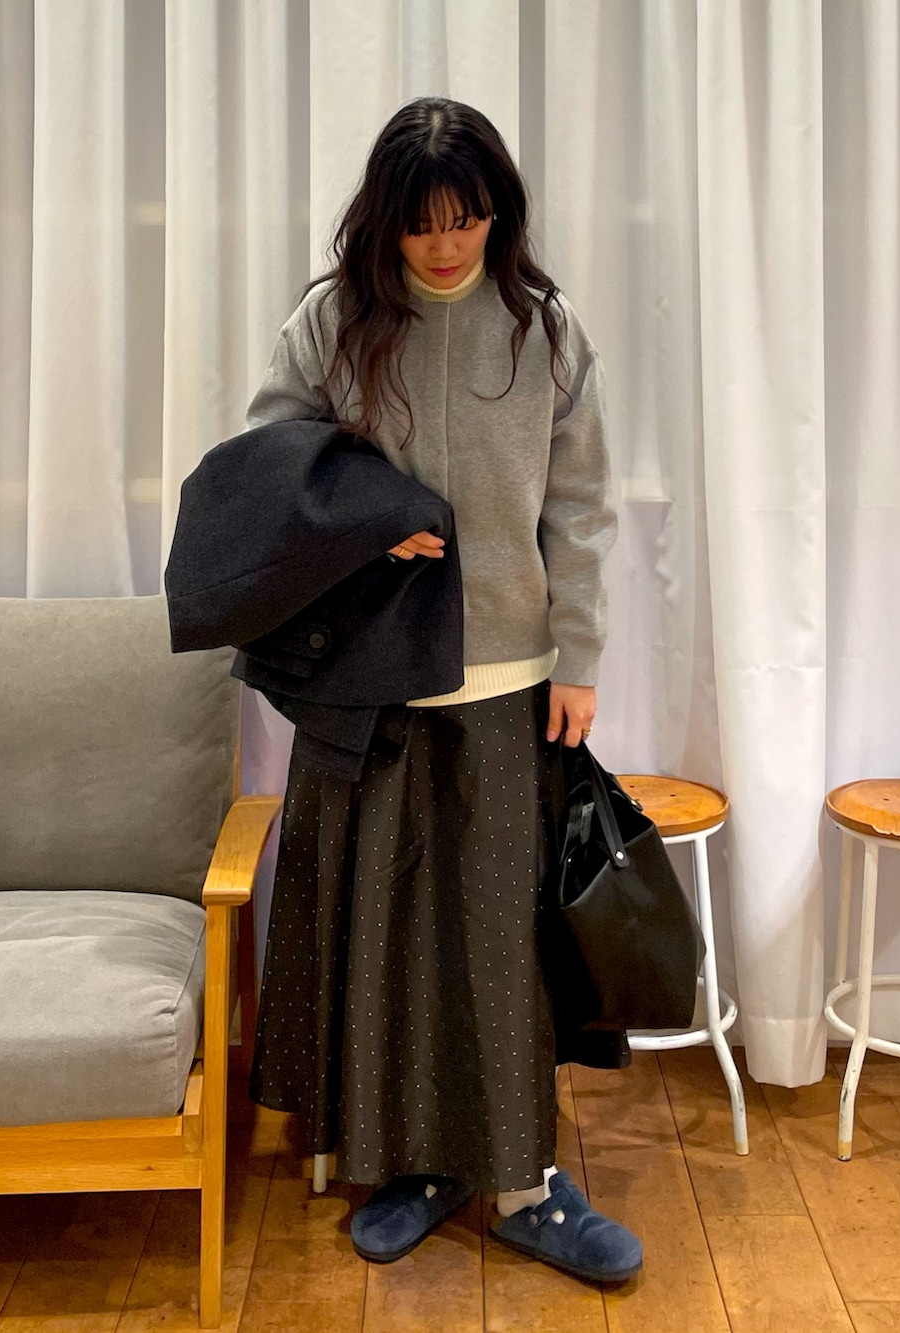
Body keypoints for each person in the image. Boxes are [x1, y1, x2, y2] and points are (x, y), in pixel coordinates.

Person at [245, 96, 641, 1284]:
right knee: (389, 939)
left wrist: (579, 658)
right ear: (387, 221)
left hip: (508, 679)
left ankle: (523, 1184)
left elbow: (582, 508)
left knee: (500, 940)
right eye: (421, 223)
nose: (445, 245)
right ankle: (415, 1162)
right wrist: (367, 523)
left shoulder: (544, 332)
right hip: (368, 681)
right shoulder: (331, 324)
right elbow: (268, 472)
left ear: (497, 212)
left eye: (466, 218)